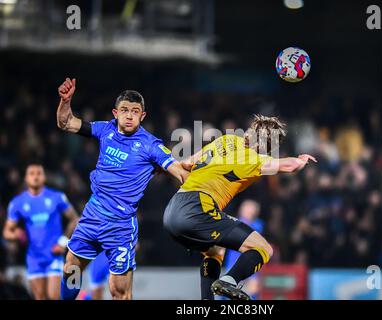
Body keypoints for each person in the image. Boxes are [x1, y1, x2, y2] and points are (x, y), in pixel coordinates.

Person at [56, 78, 190, 300]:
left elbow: (179, 171)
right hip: (92, 216)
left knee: (118, 291)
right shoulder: (104, 130)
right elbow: (66, 122)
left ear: (143, 116)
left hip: (119, 226)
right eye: (125, 110)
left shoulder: (150, 145)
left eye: (135, 111)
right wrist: (65, 101)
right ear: (115, 113)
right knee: (71, 267)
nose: (129, 115)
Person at [163, 114, 317, 300]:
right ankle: (230, 280)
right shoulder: (254, 159)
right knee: (263, 249)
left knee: (215, 250)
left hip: (173, 210)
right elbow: (289, 166)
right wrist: (301, 160)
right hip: (198, 209)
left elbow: (186, 163)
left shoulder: (225, 140)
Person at [3, 163, 79, 300]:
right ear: (26, 178)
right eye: (32, 173)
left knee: (54, 296)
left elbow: (75, 219)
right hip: (33, 258)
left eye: (39, 173)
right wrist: (16, 234)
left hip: (53, 256)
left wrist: (63, 242)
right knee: (39, 298)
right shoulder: (17, 203)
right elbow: (7, 232)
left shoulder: (57, 197)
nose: (36, 177)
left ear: (44, 177)